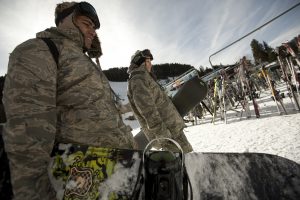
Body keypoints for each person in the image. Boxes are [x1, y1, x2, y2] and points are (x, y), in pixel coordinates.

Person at [2, 2, 135, 199]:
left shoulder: (84, 61)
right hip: (83, 179)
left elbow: (97, 111)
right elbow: (28, 134)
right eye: (86, 23)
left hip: (119, 169)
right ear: (65, 19)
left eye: (94, 27)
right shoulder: (39, 50)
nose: (92, 31)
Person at [127, 49, 193, 153]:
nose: (150, 65)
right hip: (167, 133)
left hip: (172, 129)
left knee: (186, 157)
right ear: (140, 63)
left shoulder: (145, 78)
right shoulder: (138, 80)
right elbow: (147, 109)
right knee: (183, 160)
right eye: (147, 62)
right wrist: (162, 134)